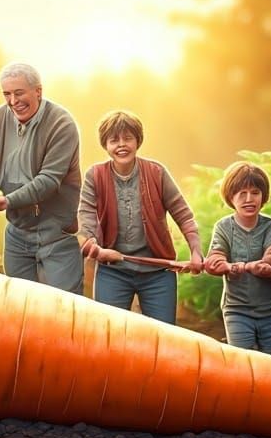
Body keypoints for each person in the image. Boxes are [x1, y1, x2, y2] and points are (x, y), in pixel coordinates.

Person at [78, 110, 203, 325]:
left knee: (164, 336)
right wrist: (97, 250)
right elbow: (85, 219)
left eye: (128, 138)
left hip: (158, 271)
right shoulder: (95, 175)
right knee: (109, 334)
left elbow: (183, 214)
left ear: (138, 141)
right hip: (113, 271)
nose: (121, 145)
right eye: (114, 140)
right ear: (105, 145)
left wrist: (196, 252)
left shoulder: (157, 172)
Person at [0, 62, 83, 293]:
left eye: (19, 93)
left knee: (63, 310)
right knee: (19, 310)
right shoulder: (0, 118)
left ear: (38, 91)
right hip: (18, 233)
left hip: (56, 235)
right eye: (7, 94)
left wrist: (3, 202)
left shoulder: (61, 123)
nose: (13, 101)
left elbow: (48, 181)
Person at [203, 160, 271, 354]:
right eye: (242, 193)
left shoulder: (269, 225)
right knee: (242, 360)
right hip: (237, 310)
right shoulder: (223, 227)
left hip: (270, 310)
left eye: (255, 193)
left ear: (263, 196)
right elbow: (215, 259)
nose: (249, 199)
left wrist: (267, 265)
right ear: (230, 197)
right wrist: (226, 265)